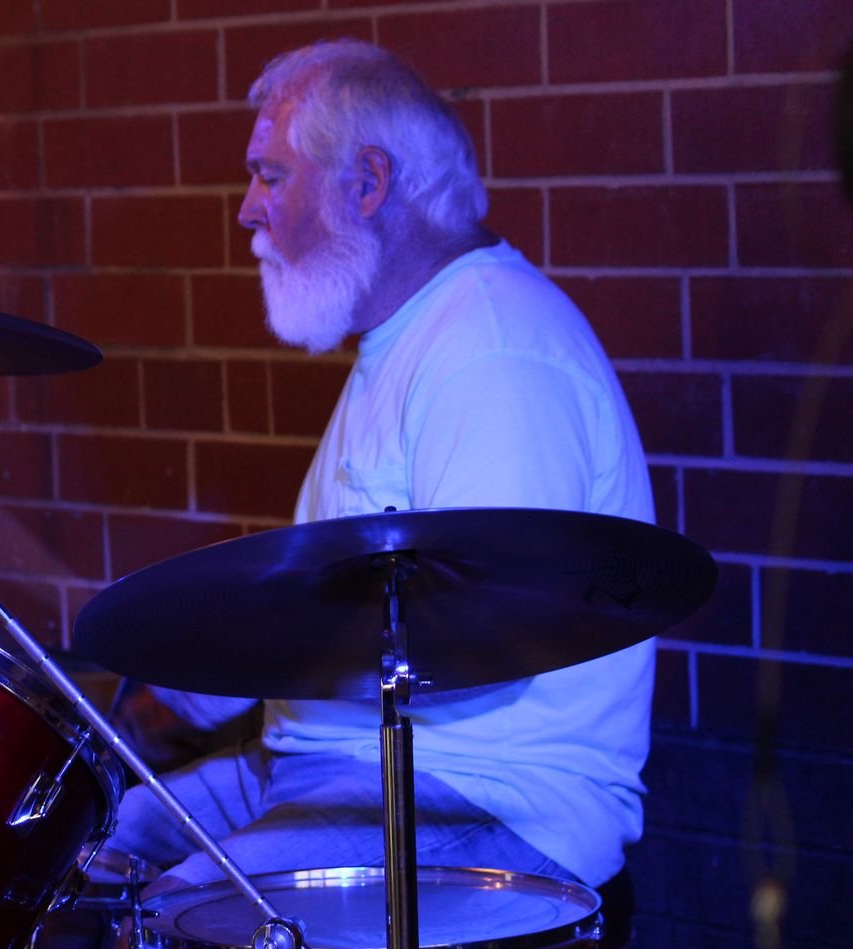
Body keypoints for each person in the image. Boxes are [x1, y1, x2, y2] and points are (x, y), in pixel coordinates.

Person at [106, 39, 655, 897]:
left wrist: (221, 663)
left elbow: (477, 639)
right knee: (82, 849)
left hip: (481, 795)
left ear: (367, 183)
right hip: (323, 762)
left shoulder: (493, 352)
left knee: (186, 913)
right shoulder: (410, 331)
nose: (247, 211)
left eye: (270, 176)